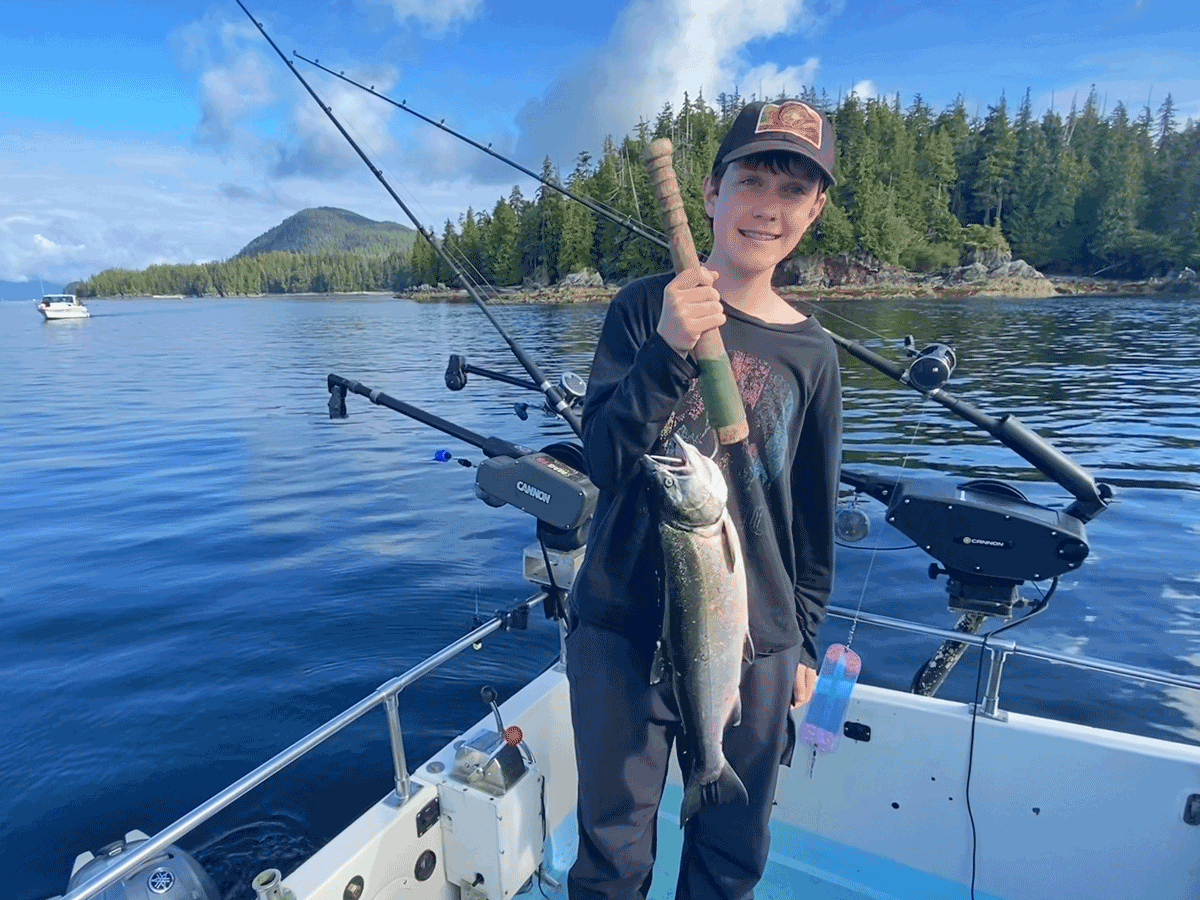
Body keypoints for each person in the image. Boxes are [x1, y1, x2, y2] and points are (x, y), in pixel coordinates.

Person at [565, 98, 843, 900]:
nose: (766, 206)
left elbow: (813, 520)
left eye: (792, 190)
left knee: (730, 854)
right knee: (612, 851)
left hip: (755, 642)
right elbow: (607, 460)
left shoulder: (813, 354)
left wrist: (806, 642)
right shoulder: (644, 307)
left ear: (814, 209)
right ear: (713, 191)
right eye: (751, 179)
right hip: (620, 627)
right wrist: (669, 348)